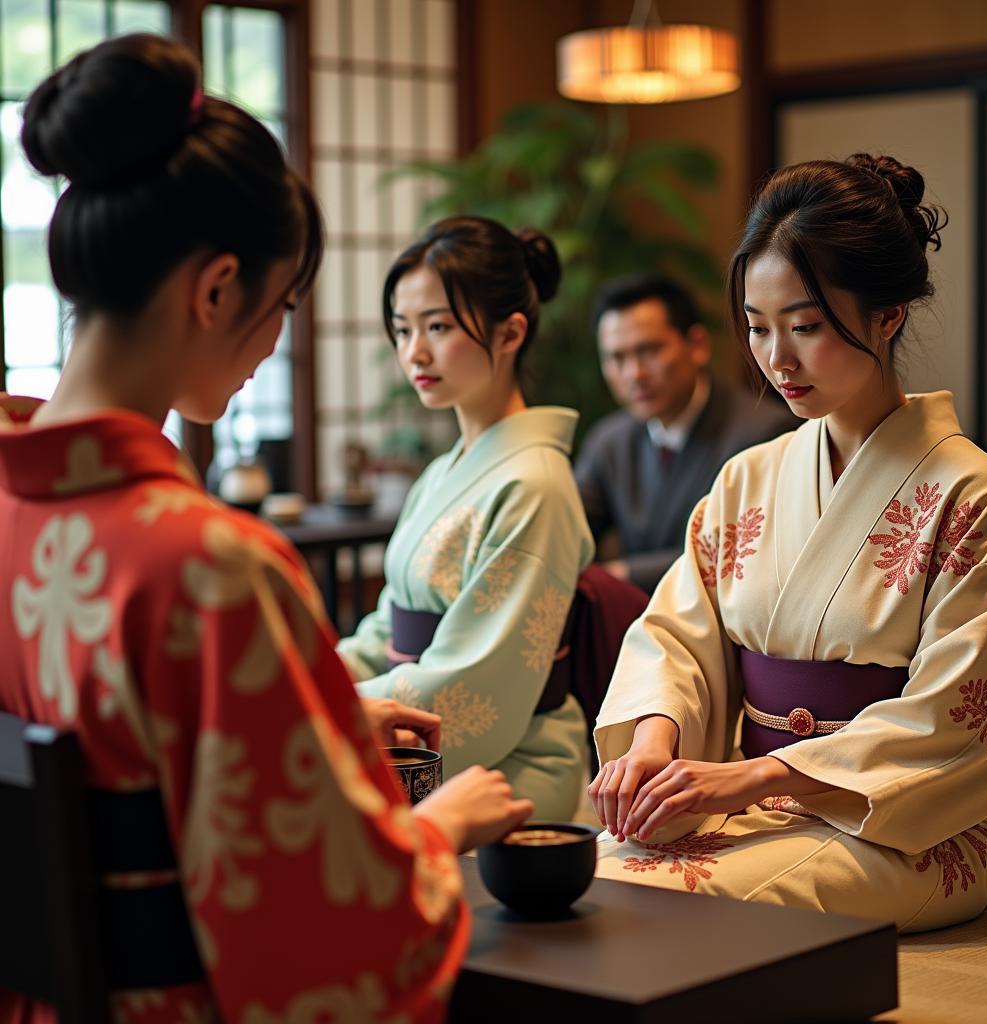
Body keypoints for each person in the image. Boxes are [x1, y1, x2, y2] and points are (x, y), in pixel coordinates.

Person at [0, 35, 532, 1024]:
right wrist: (438, 829)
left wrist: (315, 714)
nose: (276, 334)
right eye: (281, 302)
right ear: (214, 290)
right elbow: (324, 942)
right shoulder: (206, 564)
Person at [588, 154, 987, 932]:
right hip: (749, 796)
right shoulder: (748, 477)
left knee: (655, 906)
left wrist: (748, 781)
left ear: (886, 315)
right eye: (758, 329)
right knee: (591, 873)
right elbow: (676, 638)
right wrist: (654, 741)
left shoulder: (972, 489)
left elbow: (954, 718)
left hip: (908, 829)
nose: (777, 359)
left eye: (806, 326)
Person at [337, 216, 595, 820]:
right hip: (430, 740)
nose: (414, 352)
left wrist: (330, 708)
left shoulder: (536, 485)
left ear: (510, 334)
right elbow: (388, 628)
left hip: (506, 769)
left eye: (438, 326)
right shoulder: (443, 470)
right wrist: (323, 677)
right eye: (402, 330)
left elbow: (476, 689)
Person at [575, 273, 795, 594]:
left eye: (649, 350)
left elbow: (746, 554)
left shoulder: (764, 432)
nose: (634, 374)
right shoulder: (609, 441)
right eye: (617, 358)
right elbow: (568, 531)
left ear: (697, 346)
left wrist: (617, 576)